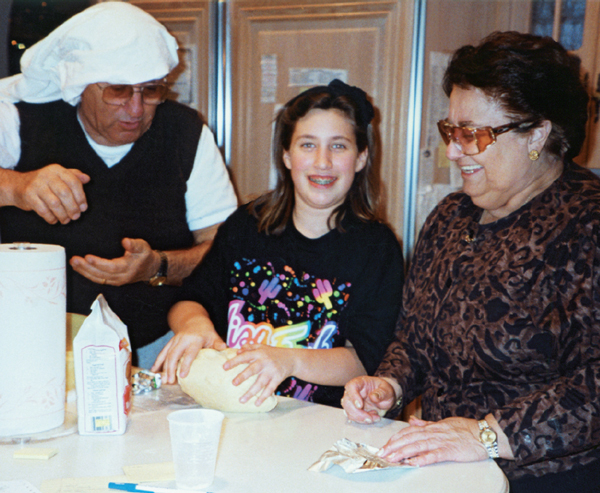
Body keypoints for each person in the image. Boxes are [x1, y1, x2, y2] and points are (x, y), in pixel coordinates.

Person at [342, 31, 600, 493]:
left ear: (537, 133)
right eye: (450, 131)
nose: (453, 151)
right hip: (444, 469)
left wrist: (486, 435)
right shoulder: (449, 216)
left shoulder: (588, 225)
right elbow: (415, 339)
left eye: (472, 134)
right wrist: (389, 385)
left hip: (547, 478)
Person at [0, 3, 237, 367]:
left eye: (151, 90)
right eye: (119, 90)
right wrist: (16, 186)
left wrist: (158, 266)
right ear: (82, 86)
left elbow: (223, 247)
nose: (137, 108)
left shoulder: (186, 135)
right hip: (27, 340)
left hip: (155, 344)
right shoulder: (21, 119)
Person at [153, 79, 405, 408]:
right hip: (236, 416)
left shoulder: (377, 248)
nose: (323, 161)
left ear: (361, 158)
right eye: (308, 145)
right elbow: (188, 300)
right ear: (286, 155)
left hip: (321, 424)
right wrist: (194, 325)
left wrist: (289, 361)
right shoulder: (246, 226)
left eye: (339, 146)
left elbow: (366, 360)